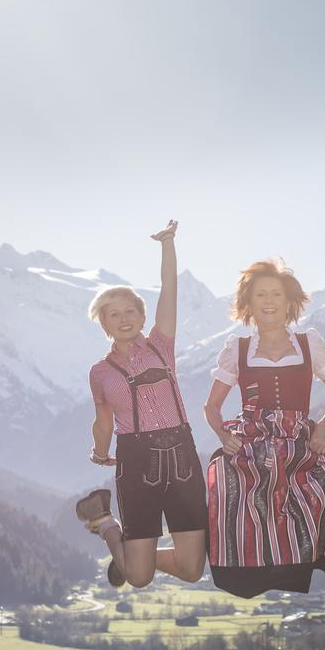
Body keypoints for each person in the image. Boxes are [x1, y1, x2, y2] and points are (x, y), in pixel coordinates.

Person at [202, 259, 325, 598]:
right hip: (252, 438)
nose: (268, 301)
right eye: (260, 295)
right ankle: (242, 569)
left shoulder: (309, 343)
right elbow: (211, 407)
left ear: (289, 302)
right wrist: (224, 436)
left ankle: (304, 562)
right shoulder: (237, 349)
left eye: (276, 294)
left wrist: (322, 428)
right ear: (249, 305)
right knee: (228, 486)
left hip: (299, 435)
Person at [76, 220, 207, 587]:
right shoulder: (100, 372)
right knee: (139, 578)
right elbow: (103, 422)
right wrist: (101, 453)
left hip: (183, 455)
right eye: (113, 314)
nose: (123, 319)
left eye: (130, 311)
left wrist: (167, 243)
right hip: (135, 463)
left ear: (143, 315)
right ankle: (106, 527)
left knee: (193, 569)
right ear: (104, 324)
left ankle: (136, 556)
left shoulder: (161, 345)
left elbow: (170, 288)